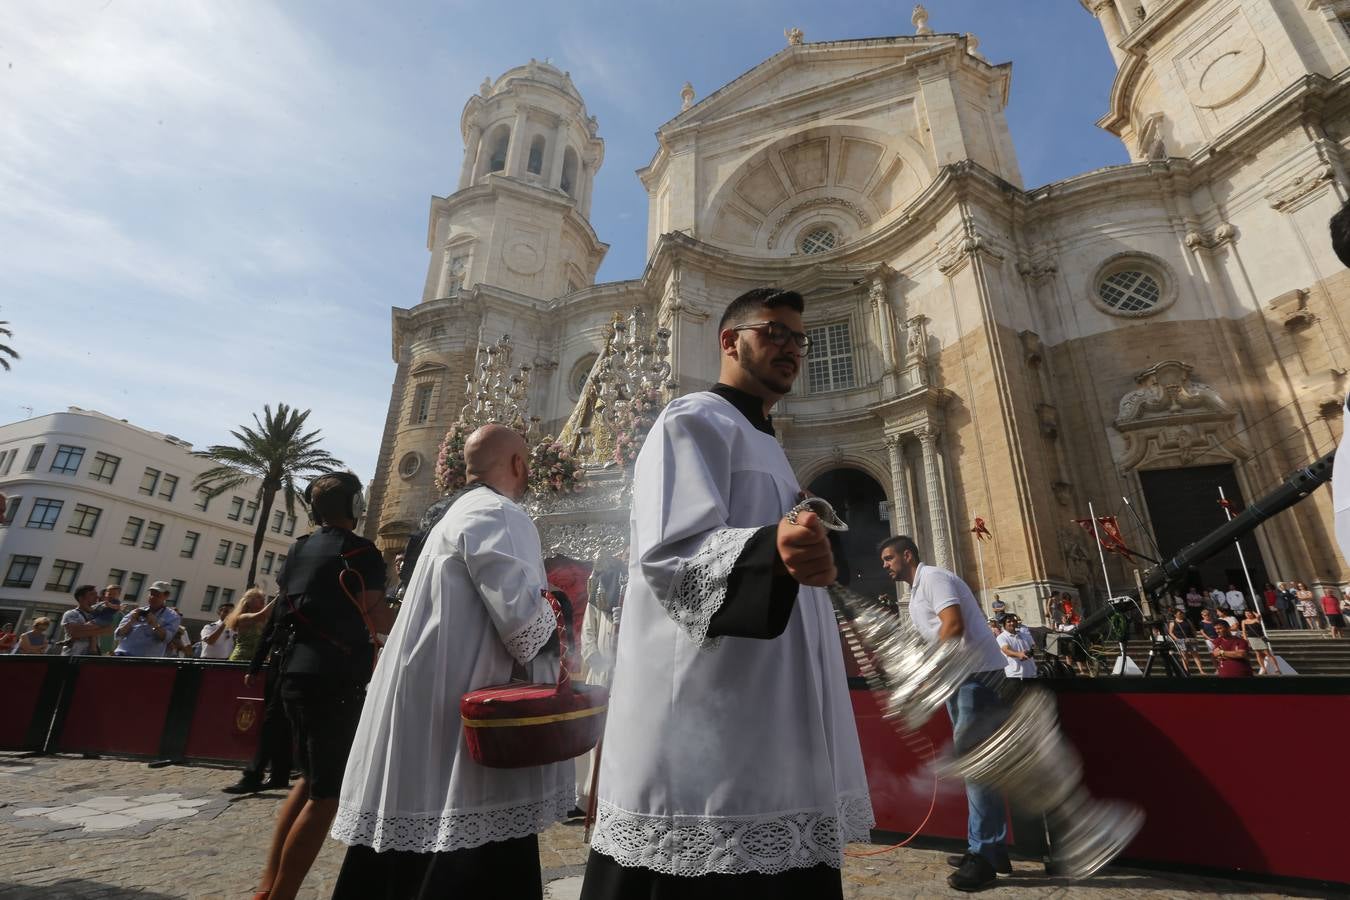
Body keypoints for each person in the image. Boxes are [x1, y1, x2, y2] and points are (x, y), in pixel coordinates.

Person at [580, 288, 872, 900]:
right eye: (775, 332)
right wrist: (773, 549)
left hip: (773, 708)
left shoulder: (766, 441)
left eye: (800, 338)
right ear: (729, 339)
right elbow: (670, 556)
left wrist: (799, 550)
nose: (791, 347)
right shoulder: (694, 419)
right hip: (709, 722)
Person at [329, 425, 568, 900]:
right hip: (465, 725)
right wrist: (562, 615)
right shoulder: (501, 512)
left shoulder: (455, 515)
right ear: (519, 464)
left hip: (428, 707)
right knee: (469, 853)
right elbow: (524, 627)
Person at [250, 472, 391, 900]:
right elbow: (375, 615)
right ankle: (281, 896)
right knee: (327, 795)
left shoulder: (299, 547)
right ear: (354, 506)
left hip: (291, 671)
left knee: (308, 781)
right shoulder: (362, 552)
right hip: (332, 677)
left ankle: (267, 888)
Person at [881, 535, 1013, 891]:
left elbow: (953, 626)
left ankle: (983, 857)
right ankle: (992, 849)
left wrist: (929, 675)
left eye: (889, 558)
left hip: (977, 678)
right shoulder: (914, 597)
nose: (885, 565)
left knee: (976, 766)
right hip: (962, 679)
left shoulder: (934, 578)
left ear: (908, 555)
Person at [223, 589, 290, 795]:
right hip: (278, 665)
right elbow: (270, 632)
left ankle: (258, 774)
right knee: (276, 720)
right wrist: (255, 666)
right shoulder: (284, 601)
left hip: (291, 663)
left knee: (277, 720)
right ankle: (277, 773)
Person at [576, 555, 625, 815]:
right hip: (599, 678)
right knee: (594, 735)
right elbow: (588, 635)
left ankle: (610, 797)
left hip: (623, 678)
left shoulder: (626, 601)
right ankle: (587, 798)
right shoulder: (596, 601)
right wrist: (599, 660)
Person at [112, 581, 181, 657]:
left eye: (157, 595)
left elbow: (166, 639)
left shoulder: (172, 616)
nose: (152, 597)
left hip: (146, 660)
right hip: (122, 655)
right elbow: (118, 634)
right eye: (151, 594)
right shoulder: (136, 612)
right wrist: (131, 621)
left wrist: (154, 624)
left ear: (166, 596)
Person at [59, 585, 116, 656]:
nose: (97, 597)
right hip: (72, 657)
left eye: (96, 594)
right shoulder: (71, 613)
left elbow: (110, 630)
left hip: (91, 658)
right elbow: (74, 633)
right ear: (81, 598)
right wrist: (101, 630)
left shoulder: (99, 615)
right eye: (92, 594)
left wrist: (82, 630)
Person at [1240, 609, 1279, 675]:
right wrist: (1245, 639)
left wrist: (1254, 612)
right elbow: (1243, 631)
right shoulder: (1244, 621)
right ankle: (1263, 668)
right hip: (1251, 638)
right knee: (1258, 653)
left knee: (1267, 653)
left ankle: (1276, 668)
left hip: (1260, 638)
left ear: (1252, 613)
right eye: (1246, 613)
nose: (1248, 615)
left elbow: (1259, 616)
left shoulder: (1256, 619)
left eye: (1249, 613)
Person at [996, 614, 1035, 680]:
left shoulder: (1024, 635)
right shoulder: (1001, 637)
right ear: (1003, 624)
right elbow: (1006, 650)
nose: (1012, 623)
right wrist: (1019, 654)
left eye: (1014, 621)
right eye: (1009, 622)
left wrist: (1032, 650)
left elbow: (1033, 645)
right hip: (1015, 675)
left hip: (1031, 673)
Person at [1167, 609, 1205, 675]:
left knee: (1195, 655)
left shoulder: (1187, 620)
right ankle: (1186, 670)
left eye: (1182, 613)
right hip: (1180, 640)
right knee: (1184, 656)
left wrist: (1195, 637)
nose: (1181, 615)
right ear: (1175, 615)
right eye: (1179, 614)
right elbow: (1170, 632)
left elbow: (1193, 629)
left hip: (1190, 638)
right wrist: (1176, 639)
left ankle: (1201, 670)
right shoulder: (1173, 622)